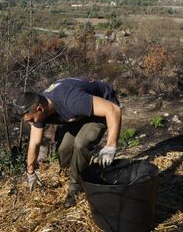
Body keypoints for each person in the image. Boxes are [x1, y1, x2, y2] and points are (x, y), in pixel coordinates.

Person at [13, 77, 121, 208]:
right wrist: (30, 171)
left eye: (31, 119)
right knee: (63, 149)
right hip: (77, 114)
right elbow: (35, 142)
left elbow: (113, 110)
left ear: (40, 109)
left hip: (102, 109)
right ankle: (76, 172)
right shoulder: (37, 108)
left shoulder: (70, 100)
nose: (31, 123)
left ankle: (76, 188)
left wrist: (111, 145)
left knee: (82, 143)